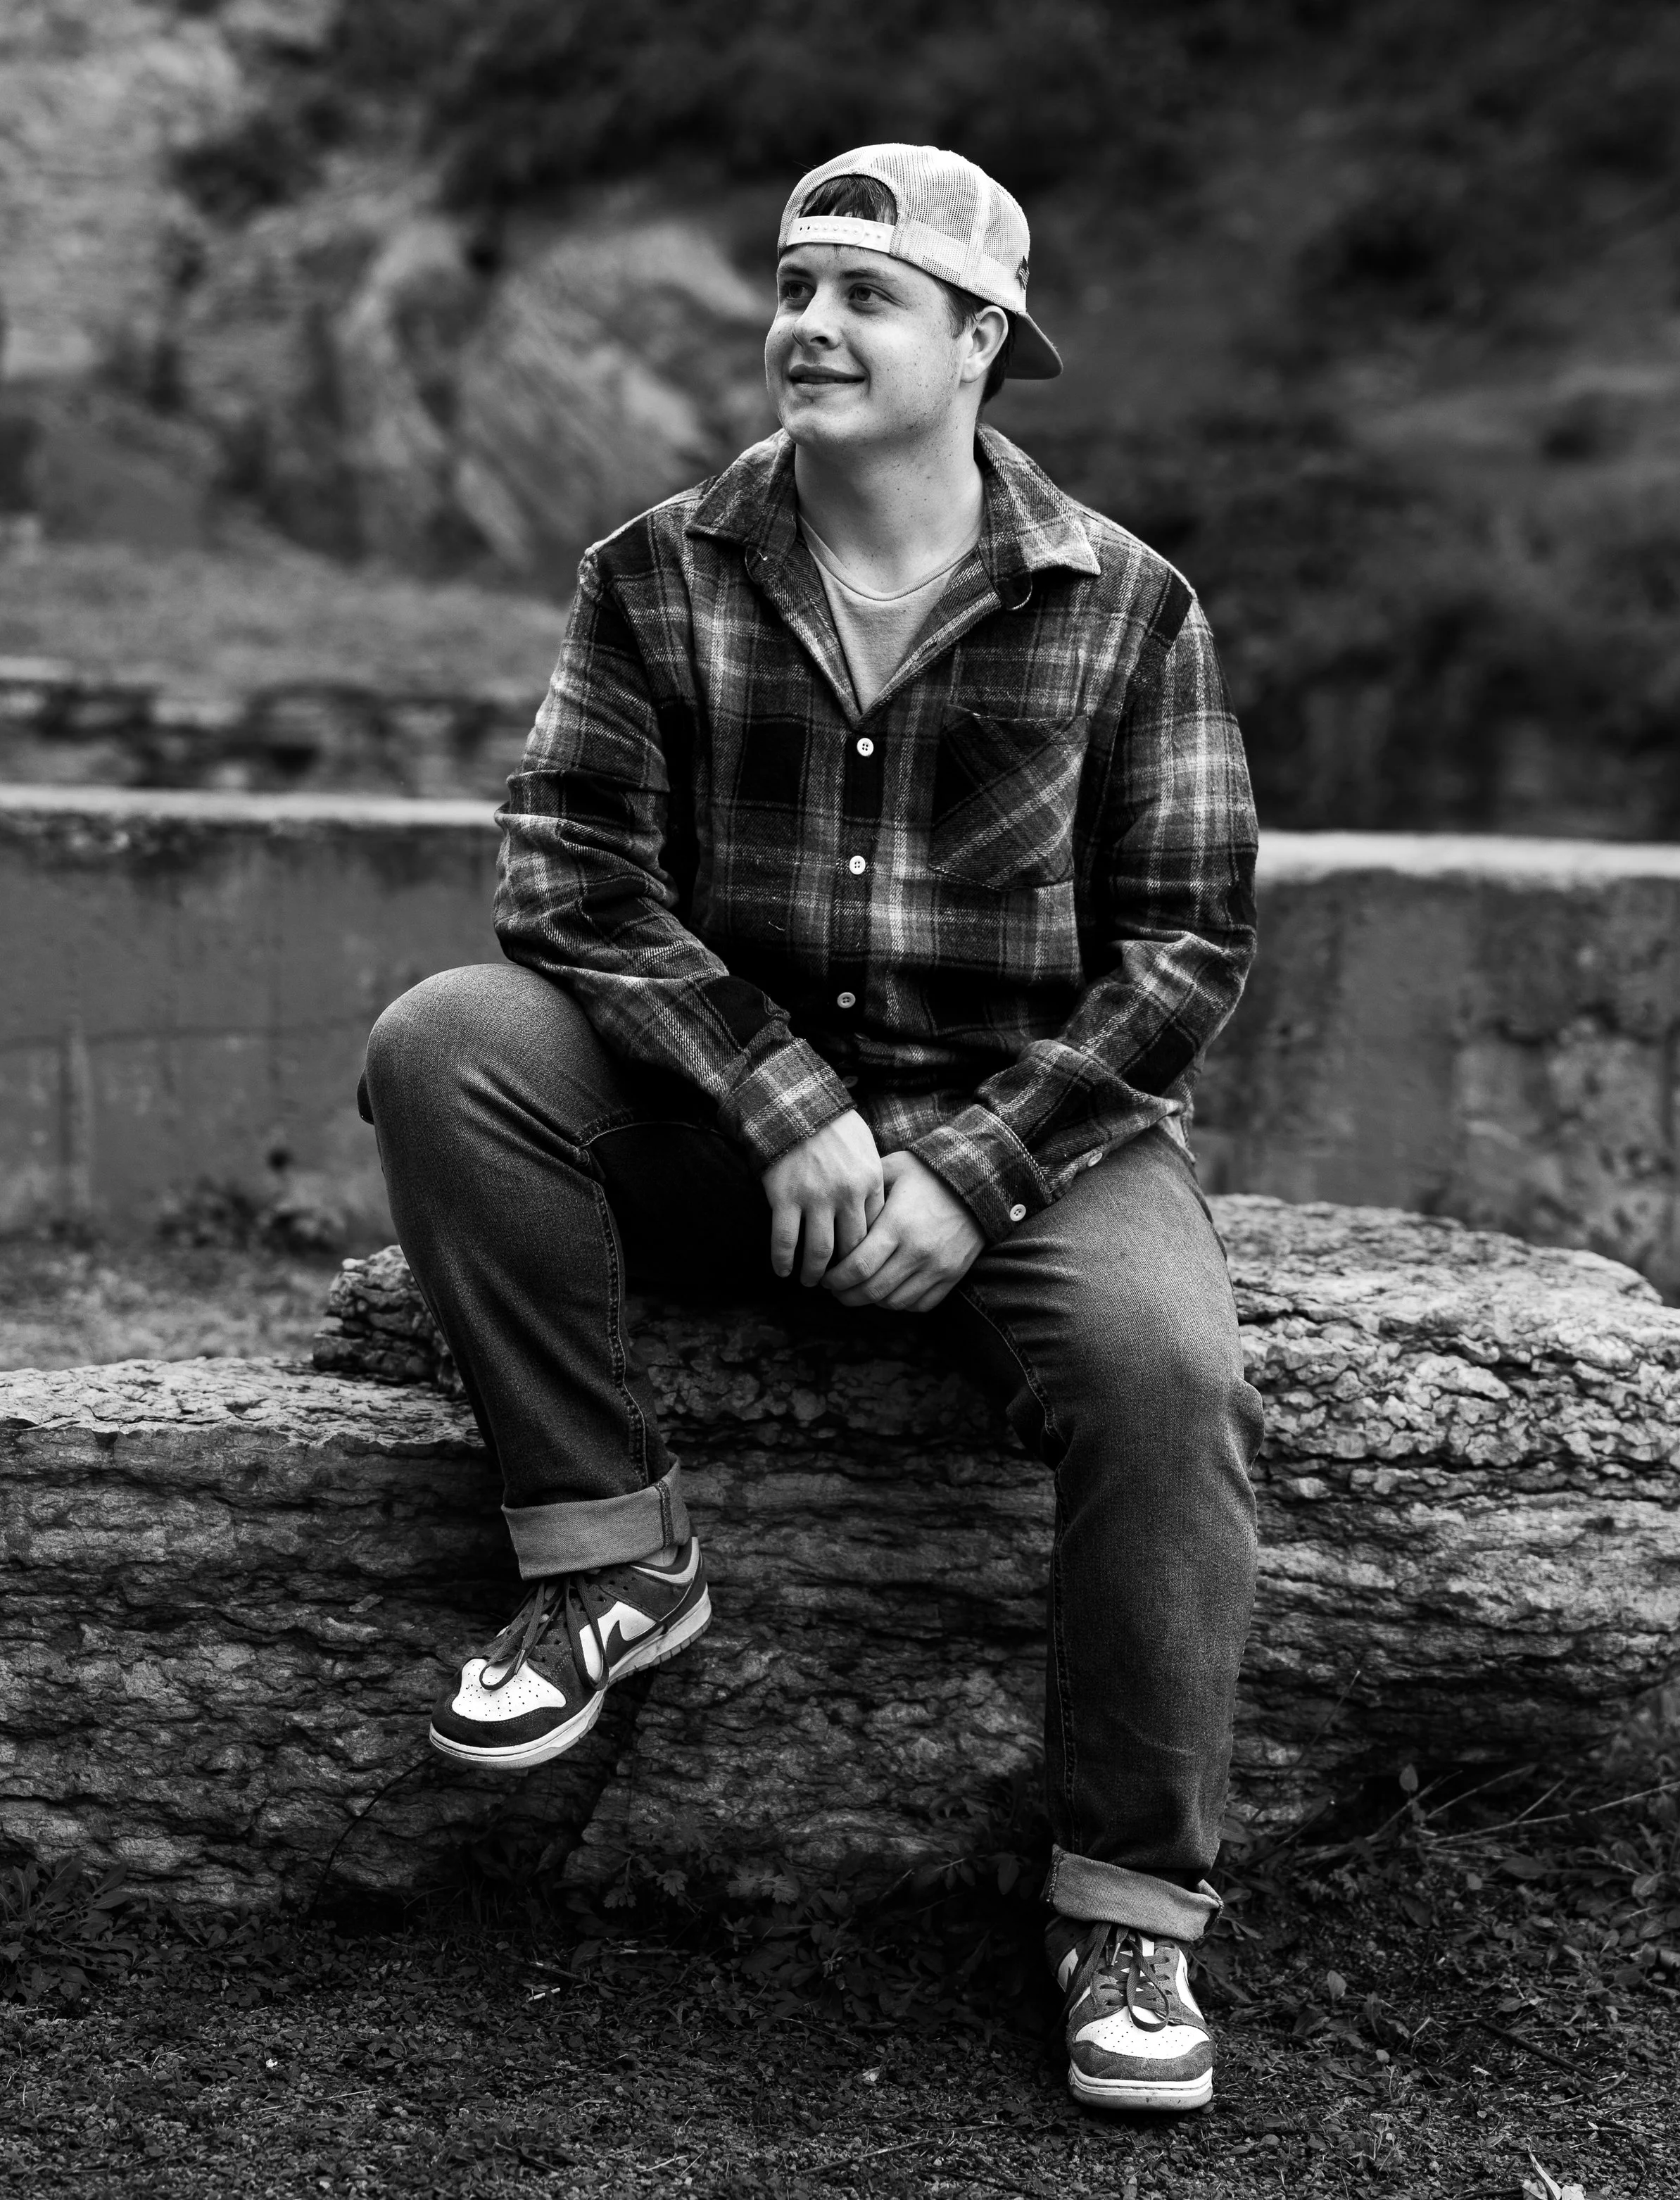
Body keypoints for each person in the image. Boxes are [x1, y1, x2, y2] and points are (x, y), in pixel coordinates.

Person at [361, 142, 1262, 2115]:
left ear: (980, 340)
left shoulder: (1124, 606)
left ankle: (1128, 1909)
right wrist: (780, 1102)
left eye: (866, 295)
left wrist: (972, 1170)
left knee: (1166, 1371)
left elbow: (1186, 945)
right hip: (725, 1114)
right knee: (448, 1049)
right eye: (793, 285)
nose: (810, 325)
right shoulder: (656, 571)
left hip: (1027, 1130)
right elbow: (569, 877)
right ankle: (610, 1558)